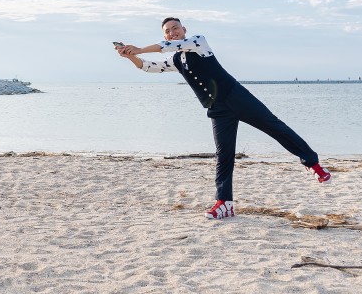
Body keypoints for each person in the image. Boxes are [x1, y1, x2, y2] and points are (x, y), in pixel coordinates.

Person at [116, 17, 331, 220]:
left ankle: (313, 164)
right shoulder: (175, 59)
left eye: (175, 28)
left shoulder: (199, 42)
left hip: (237, 98)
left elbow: (166, 46)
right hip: (217, 109)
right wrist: (131, 56)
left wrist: (140, 48)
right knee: (223, 155)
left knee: (274, 127)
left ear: (184, 30)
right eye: (167, 31)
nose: (172, 33)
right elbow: (148, 67)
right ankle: (224, 203)